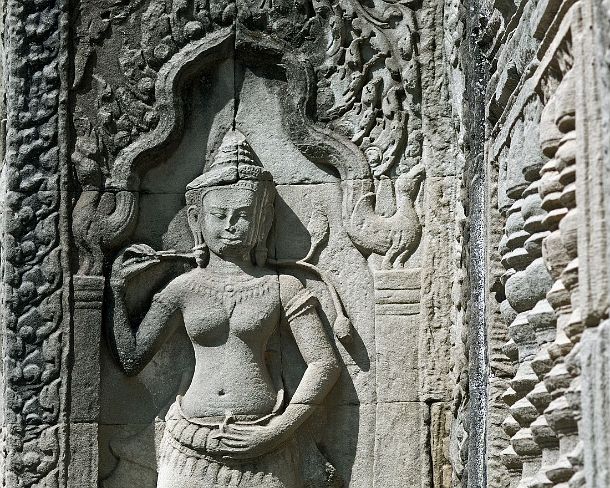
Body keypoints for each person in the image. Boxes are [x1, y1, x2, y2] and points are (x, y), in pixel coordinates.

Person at [109, 130, 342, 487]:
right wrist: (116, 291)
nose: (231, 224)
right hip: (190, 443)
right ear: (196, 219)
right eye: (219, 214)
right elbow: (131, 360)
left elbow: (324, 363)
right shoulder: (185, 288)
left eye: (243, 214)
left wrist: (278, 430)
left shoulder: (281, 286)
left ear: (263, 220)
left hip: (265, 442)